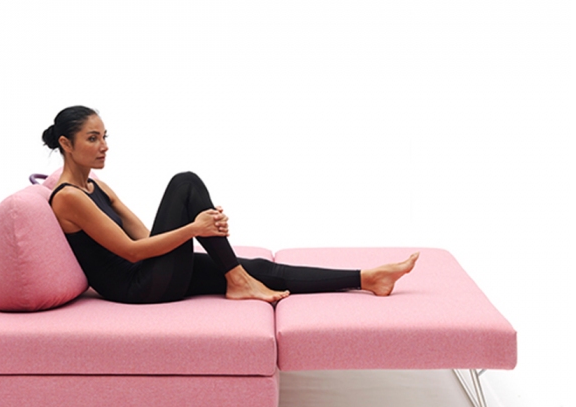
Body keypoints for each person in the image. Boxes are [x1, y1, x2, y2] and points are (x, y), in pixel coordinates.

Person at [44, 106, 418, 304]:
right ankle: (238, 280)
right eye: (92, 138)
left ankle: (368, 279)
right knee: (185, 183)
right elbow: (131, 251)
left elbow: (145, 237)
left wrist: (200, 229)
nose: (104, 146)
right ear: (66, 144)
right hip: (137, 289)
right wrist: (195, 228)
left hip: (150, 274)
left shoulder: (97, 187)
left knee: (257, 268)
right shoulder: (69, 198)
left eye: (105, 136)